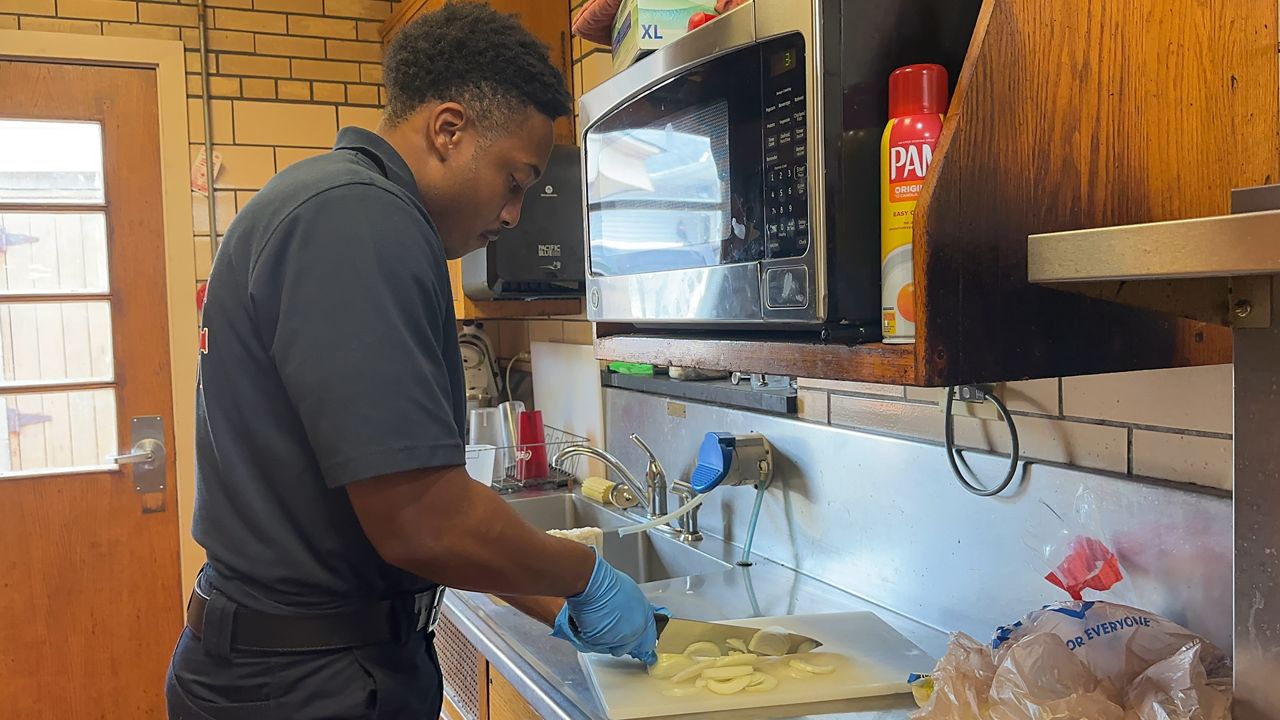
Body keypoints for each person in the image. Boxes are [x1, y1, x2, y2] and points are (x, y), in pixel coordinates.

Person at [165, 3, 662, 718]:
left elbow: (415, 524)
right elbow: (426, 520)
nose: (515, 214)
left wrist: (555, 600)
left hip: (288, 666)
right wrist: (587, 576)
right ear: (449, 129)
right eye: (514, 181)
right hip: (304, 685)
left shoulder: (325, 202)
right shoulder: (361, 220)